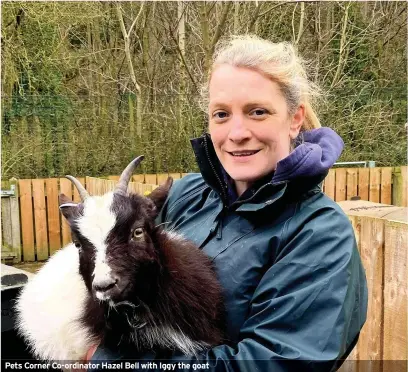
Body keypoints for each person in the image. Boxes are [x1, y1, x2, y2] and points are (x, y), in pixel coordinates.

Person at [88, 35, 368, 371]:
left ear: (295, 119)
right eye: (221, 114)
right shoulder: (184, 196)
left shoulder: (318, 235)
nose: (236, 133)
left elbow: (271, 363)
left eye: (257, 112)